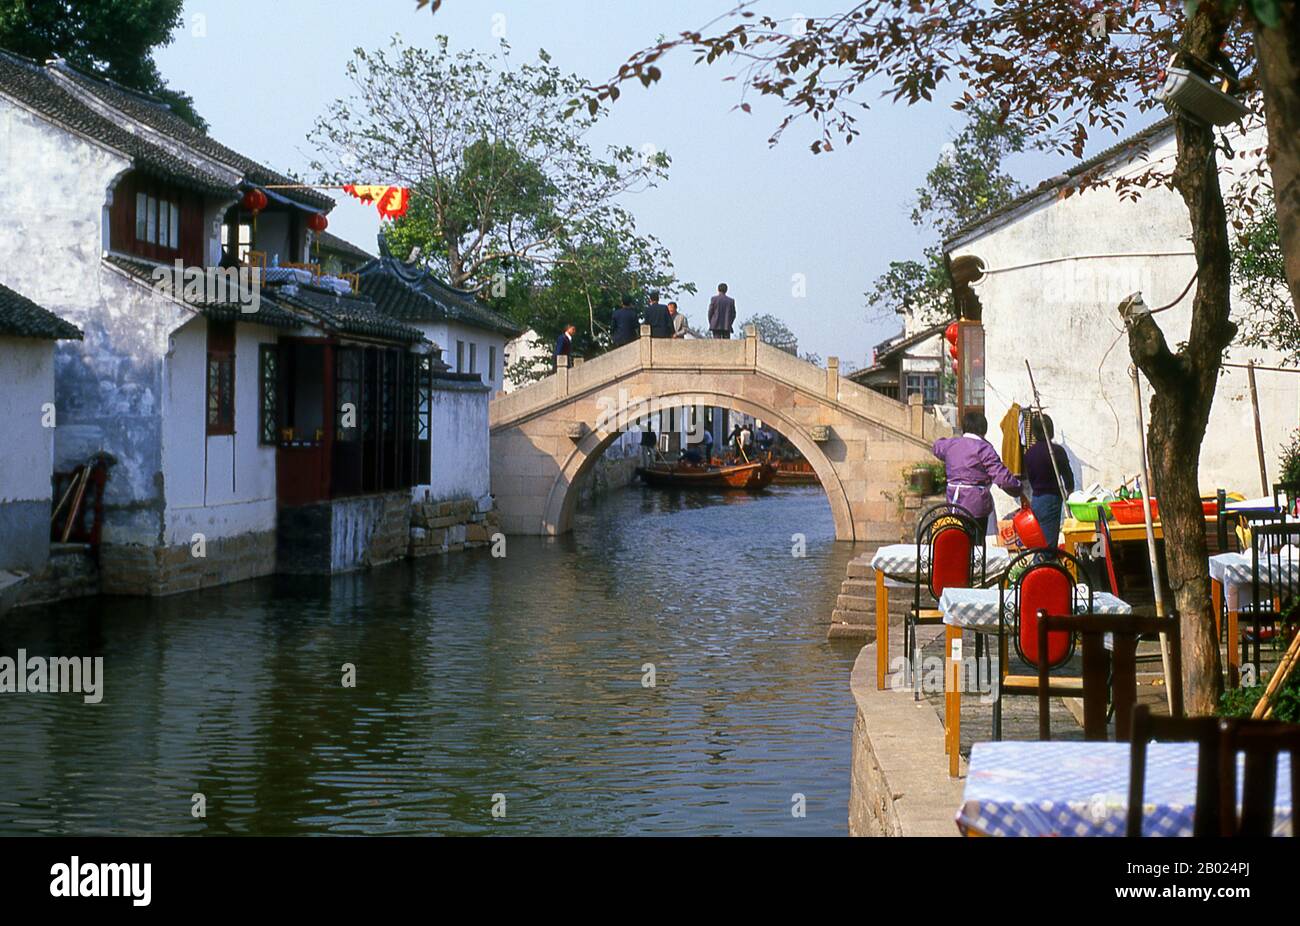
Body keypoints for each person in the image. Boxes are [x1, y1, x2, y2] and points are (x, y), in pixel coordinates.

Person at [931, 410, 1022, 535]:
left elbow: (936, 446)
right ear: (983, 430)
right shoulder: (984, 448)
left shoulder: (950, 444)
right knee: (976, 545)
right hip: (976, 505)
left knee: (957, 538)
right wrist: (1017, 488)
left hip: (953, 502)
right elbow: (1001, 476)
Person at [1023, 413, 1074, 549]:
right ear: (1050, 430)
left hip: (1036, 499)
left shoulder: (1029, 453)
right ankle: (1044, 567)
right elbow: (1067, 475)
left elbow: (1029, 477)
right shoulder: (1056, 451)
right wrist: (1069, 491)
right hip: (1052, 499)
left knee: (1039, 540)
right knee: (1048, 544)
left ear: (1034, 432)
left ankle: (1040, 566)